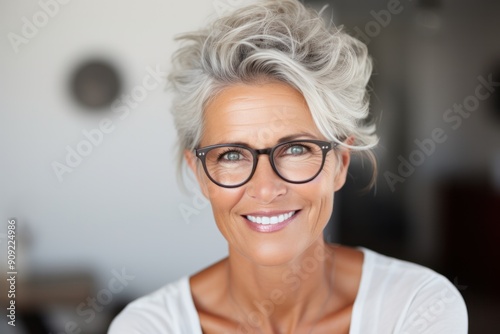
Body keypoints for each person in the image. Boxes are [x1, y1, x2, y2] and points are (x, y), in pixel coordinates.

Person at [109, 0, 468, 333]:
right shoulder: (146, 326)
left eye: (295, 149)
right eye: (232, 155)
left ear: (340, 162)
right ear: (199, 172)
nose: (266, 189)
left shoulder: (419, 307)